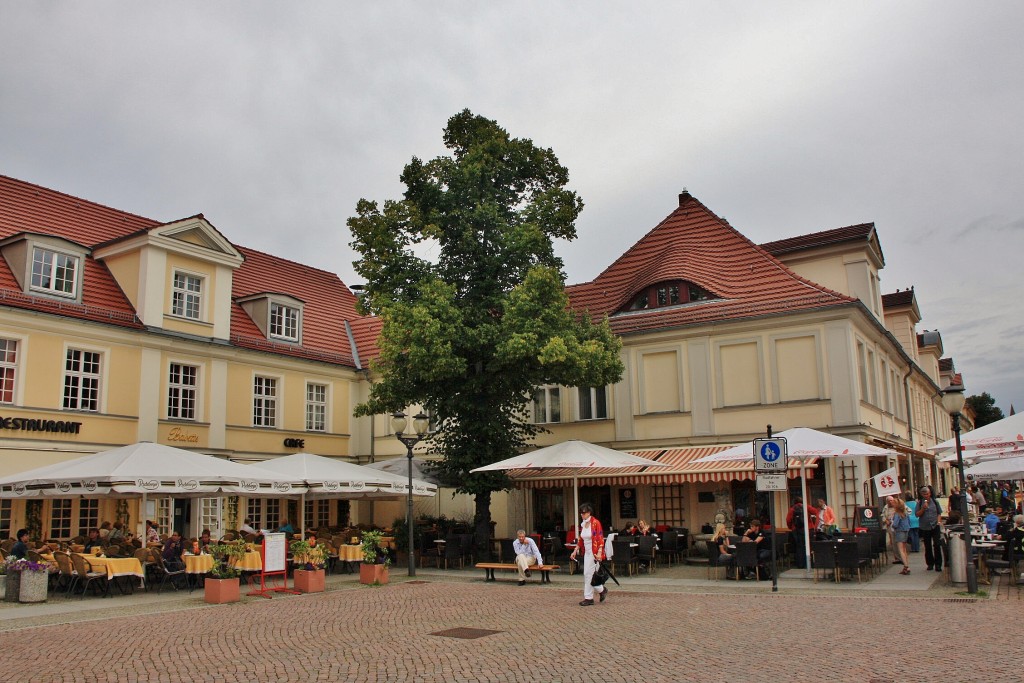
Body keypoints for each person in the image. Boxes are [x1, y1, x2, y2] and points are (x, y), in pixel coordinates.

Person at [569, 503, 607, 606]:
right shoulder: (583, 524)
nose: (582, 514)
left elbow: (600, 538)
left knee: (589, 574)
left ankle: (589, 597)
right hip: (587, 552)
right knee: (587, 574)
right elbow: (581, 539)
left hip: (594, 552)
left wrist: (599, 552)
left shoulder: (595, 523)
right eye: (581, 513)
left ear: (589, 513)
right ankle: (601, 590)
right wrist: (575, 550)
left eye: (584, 513)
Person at [916, 485, 944, 572]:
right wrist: (923, 509)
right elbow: (917, 514)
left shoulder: (935, 502)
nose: (926, 496)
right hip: (925, 527)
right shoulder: (919, 503)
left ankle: (938, 564)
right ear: (921, 495)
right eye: (924, 494)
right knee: (927, 546)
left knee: (937, 545)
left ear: (930, 493)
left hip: (935, 526)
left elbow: (939, 513)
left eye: (927, 494)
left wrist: (938, 522)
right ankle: (930, 563)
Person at [786, 497, 819, 569]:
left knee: (799, 547)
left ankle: (800, 564)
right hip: (808, 528)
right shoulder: (806, 506)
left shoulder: (792, 509)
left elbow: (788, 520)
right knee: (809, 546)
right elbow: (816, 512)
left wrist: (791, 527)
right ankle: (810, 564)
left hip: (796, 530)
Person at [891, 497, 911, 574]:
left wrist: (892, 525)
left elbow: (895, 524)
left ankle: (906, 566)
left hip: (899, 531)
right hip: (906, 530)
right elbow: (909, 522)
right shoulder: (905, 513)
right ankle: (906, 565)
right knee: (904, 549)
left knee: (901, 550)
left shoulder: (897, 514)